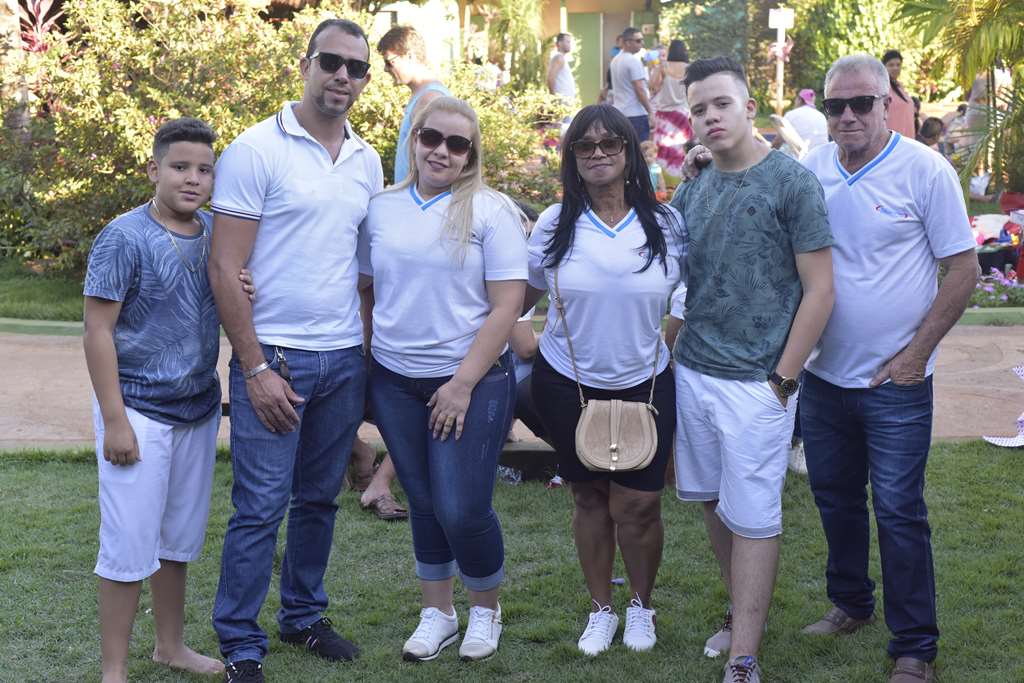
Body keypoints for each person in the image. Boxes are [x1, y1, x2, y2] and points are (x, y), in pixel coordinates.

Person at [207, 18, 383, 683]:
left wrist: (365, 358)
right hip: (275, 357)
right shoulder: (256, 149)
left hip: (342, 358)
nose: (342, 76)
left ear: (365, 80)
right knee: (259, 506)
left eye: (356, 68)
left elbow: (364, 274)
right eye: (331, 61)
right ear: (305, 65)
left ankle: (303, 615)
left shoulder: (367, 161)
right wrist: (253, 367)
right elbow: (224, 267)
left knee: (317, 501)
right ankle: (239, 641)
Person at [798, 54, 979, 683]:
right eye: (835, 105)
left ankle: (915, 646)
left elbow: (964, 270)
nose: (847, 116)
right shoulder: (812, 168)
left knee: (900, 510)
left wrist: (915, 356)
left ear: (886, 104)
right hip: (822, 377)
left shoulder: (925, 170)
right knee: (835, 498)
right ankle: (851, 603)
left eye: (861, 103)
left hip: (895, 384)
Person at [667, 56, 835, 683]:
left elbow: (821, 290)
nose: (711, 117)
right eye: (699, 110)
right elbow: (677, 273)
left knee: (756, 514)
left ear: (749, 106)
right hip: (694, 372)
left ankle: (744, 657)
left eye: (722, 104)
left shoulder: (792, 183)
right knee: (715, 503)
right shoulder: (694, 185)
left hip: (759, 383)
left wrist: (783, 381)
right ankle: (740, 615)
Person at [360, 96, 527, 663]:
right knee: (425, 501)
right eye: (432, 137)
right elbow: (364, 287)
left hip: (471, 380)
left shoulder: (491, 210)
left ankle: (485, 610)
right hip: (394, 380)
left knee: (462, 506)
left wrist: (460, 385)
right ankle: (439, 614)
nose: (442, 152)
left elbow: (507, 306)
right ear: (414, 138)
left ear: (471, 154)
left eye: (458, 144)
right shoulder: (381, 208)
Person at [525, 104, 687, 656]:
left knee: (640, 504)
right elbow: (521, 292)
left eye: (609, 143)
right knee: (590, 497)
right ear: (572, 157)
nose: (597, 153)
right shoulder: (555, 222)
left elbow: (690, 286)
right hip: (566, 382)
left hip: (647, 382)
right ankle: (601, 609)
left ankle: (641, 605)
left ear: (628, 152)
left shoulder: (665, 223)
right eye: (584, 145)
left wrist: (672, 334)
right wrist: (517, 333)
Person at [83, 117, 227, 683]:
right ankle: (113, 671)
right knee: (127, 543)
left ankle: (171, 646)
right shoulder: (123, 236)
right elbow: (97, 332)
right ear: (154, 170)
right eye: (180, 166)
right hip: (137, 411)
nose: (193, 179)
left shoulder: (216, 233)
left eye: (204, 170)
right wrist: (115, 421)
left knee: (177, 540)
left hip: (198, 408)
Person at [377, 25, 451, 185]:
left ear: (409, 56)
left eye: (389, 62)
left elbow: (434, 165)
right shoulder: (422, 96)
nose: (386, 69)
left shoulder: (430, 100)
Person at [649, 39, 692, 178]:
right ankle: (680, 179)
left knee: (662, 151)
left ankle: (664, 181)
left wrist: (657, 68)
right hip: (683, 114)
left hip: (664, 115)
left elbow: (652, 86)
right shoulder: (690, 68)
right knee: (679, 149)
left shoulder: (663, 67)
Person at [609, 27, 655, 141]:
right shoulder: (633, 61)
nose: (642, 43)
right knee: (640, 149)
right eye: (638, 41)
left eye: (642, 40)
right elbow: (639, 89)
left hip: (620, 113)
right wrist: (650, 111)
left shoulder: (615, 60)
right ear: (628, 42)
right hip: (636, 115)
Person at [772, 88, 828, 156]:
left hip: (800, 158)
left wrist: (768, 155)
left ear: (799, 100)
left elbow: (777, 142)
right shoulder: (821, 116)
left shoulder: (791, 114)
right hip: (822, 156)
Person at [882, 50, 915, 138]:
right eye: (891, 65)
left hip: (907, 138)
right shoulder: (881, 87)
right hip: (891, 139)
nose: (895, 68)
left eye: (898, 65)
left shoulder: (900, 86)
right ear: (884, 67)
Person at [547, 32, 577, 106]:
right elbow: (550, 79)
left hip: (566, 102)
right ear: (560, 43)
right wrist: (553, 98)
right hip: (561, 102)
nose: (570, 44)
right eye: (568, 42)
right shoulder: (559, 58)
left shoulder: (562, 58)